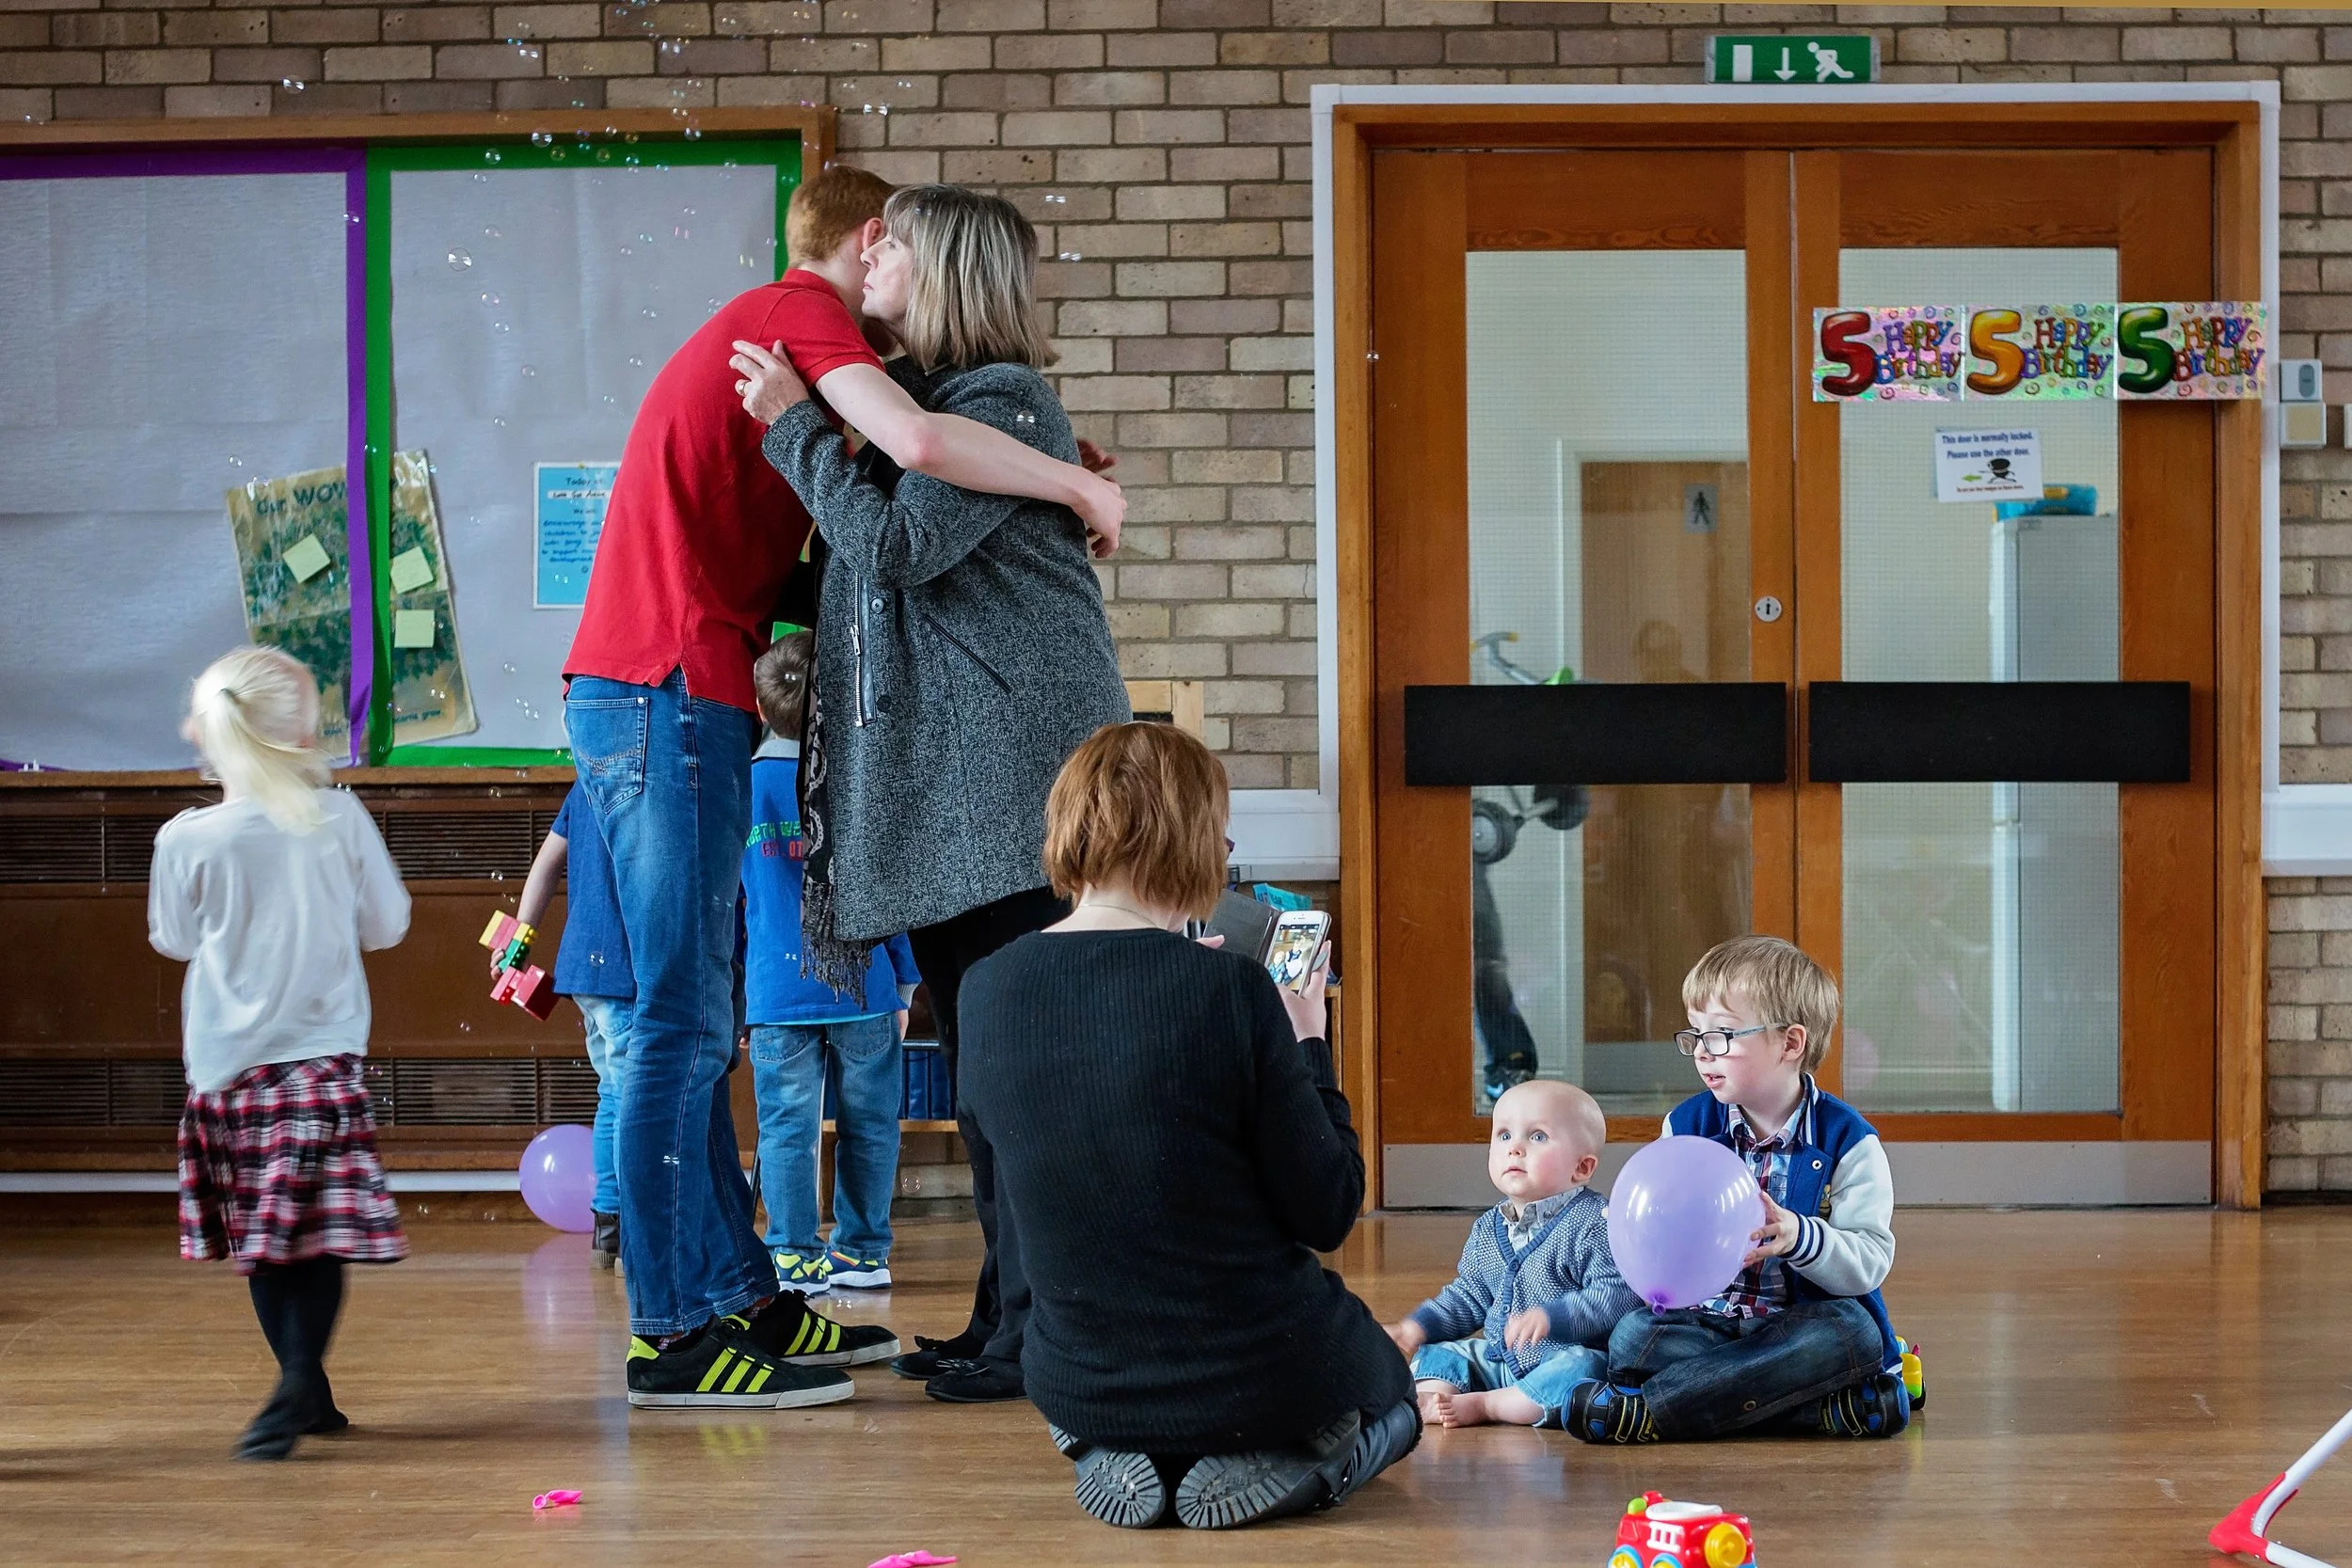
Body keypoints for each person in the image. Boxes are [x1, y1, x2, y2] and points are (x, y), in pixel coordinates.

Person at [564, 166, 1118, 1409]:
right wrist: (1068, 477)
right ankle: (685, 1322)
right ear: (865, 244)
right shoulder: (800, 316)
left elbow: (903, 515)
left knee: (701, 1025)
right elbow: (905, 484)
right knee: (685, 1025)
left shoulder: (917, 380)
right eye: (875, 261)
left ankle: (737, 1300)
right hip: (674, 689)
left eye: (894, 266)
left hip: (793, 729)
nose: (874, 287)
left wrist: (1053, 467)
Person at [739, 184, 1135, 1406]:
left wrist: (794, 427)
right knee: (988, 1073)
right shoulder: (964, 411)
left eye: (895, 243)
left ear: (946, 269)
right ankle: (1007, 1317)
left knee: (1012, 1076)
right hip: (974, 801)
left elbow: (900, 549)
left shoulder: (999, 399)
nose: (876, 257)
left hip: (1010, 798)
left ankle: (1037, 1327)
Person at [952, 721, 1417, 1529]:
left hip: (1073, 1375)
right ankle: (1294, 1462)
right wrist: (1307, 1036)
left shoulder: (985, 987)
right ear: (1194, 839)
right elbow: (1328, 1208)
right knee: (1395, 1388)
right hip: (1258, 1371)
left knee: (1110, 1365)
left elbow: (1009, 1202)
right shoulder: (1231, 990)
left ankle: (1119, 1442)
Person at [148, 646, 412, 1461]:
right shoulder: (339, 816)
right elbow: (388, 924)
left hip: (227, 1067)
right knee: (316, 1232)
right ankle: (304, 1380)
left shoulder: (187, 838)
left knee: (263, 1236)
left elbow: (174, 939)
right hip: (321, 1059)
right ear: (299, 733)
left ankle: (305, 1383)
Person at [1568, 934, 1910, 1444]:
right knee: (1634, 1339)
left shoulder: (1848, 1141)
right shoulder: (1685, 1125)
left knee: (1850, 1334)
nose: (1703, 1055)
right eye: (1696, 1036)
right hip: (1706, 1325)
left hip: (1798, 1326)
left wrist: (1799, 1236)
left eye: (1723, 1036)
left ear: (1791, 1044)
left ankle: (1652, 1414)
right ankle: (1818, 1411)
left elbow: (1868, 1261)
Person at [742, 631, 921, 1293]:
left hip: (774, 988)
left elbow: (731, 903)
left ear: (761, 708)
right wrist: (904, 980)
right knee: (870, 1122)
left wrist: (736, 994)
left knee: (786, 1124)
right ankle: (864, 1251)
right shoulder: (856, 784)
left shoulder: (743, 787)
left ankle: (791, 1252)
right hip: (865, 983)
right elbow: (890, 887)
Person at [1387, 1079, 1637, 1429]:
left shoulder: (1595, 1222)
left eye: (1537, 1137)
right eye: (1504, 1135)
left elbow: (1618, 1294)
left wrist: (1554, 1317)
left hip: (1558, 1358)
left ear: (1581, 1167)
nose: (1515, 1148)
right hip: (1498, 1360)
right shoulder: (1489, 1227)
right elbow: (1468, 1296)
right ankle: (1436, 1395)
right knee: (1441, 1352)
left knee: (1584, 1368)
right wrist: (1416, 1327)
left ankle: (1489, 1406)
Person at [509, 785, 634, 1271]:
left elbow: (544, 864)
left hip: (584, 967)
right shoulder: (643, 779)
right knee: (632, 1100)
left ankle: (608, 1224)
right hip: (624, 966)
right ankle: (630, 1231)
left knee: (613, 1095)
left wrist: (517, 942)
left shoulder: (582, 786)